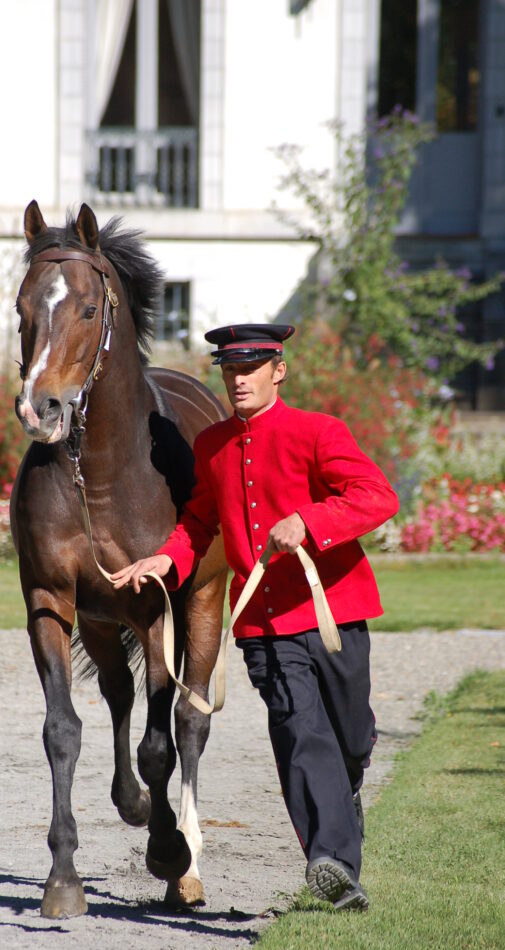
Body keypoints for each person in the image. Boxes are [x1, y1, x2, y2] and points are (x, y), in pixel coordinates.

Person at [111, 323, 400, 910]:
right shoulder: (213, 445)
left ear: (279, 370)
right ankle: (333, 865)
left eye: (250, 369)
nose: (237, 380)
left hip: (333, 615)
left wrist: (311, 522)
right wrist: (164, 559)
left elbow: (377, 496)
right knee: (299, 734)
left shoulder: (319, 431)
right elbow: (199, 523)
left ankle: (350, 785)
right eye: (229, 370)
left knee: (347, 740)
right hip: (264, 625)